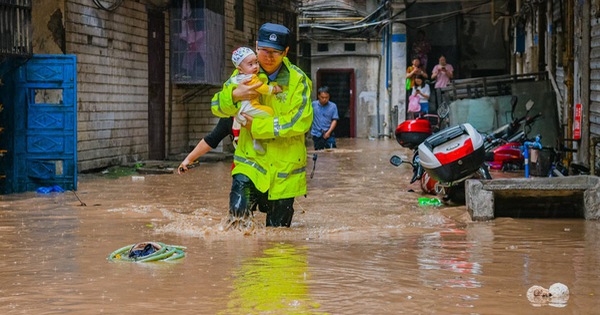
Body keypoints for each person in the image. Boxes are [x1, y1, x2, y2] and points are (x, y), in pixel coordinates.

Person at [211, 23, 313, 228]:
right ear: (256, 46)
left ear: (286, 52)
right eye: (264, 50)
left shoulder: (298, 81)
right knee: (237, 224)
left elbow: (300, 122)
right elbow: (217, 108)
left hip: (284, 175)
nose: (268, 57)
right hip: (249, 165)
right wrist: (233, 95)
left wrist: (257, 126)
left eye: (275, 52)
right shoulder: (242, 74)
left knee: (278, 238)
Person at [230, 46, 282, 154]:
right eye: (250, 64)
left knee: (253, 125)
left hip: (239, 112)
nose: (255, 67)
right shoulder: (251, 78)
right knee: (270, 112)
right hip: (249, 107)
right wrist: (274, 89)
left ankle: (256, 140)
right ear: (239, 69)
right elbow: (262, 88)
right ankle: (258, 139)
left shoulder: (235, 79)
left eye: (256, 63)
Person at [310, 86, 339, 150]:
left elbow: (334, 120)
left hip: (329, 134)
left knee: (332, 154)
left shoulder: (333, 106)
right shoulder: (313, 105)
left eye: (327, 97)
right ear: (318, 96)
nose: (324, 99)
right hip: (316, 134)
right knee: (318, 154)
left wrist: (328, 132)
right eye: (322, 97)